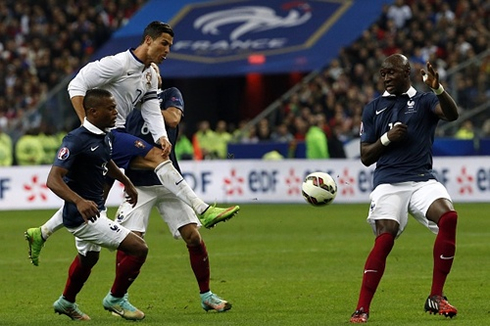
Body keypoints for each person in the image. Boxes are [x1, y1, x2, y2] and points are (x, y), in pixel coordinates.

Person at [25, 21, 239, 266]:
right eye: (164, 43)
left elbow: (150, 109)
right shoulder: (118, 64)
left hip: (109, 138)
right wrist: (88, 125)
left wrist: (161, 136)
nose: (167, 50)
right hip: (108, 134)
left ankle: (41, 233)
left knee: (96, 199)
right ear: (148, 40)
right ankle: (202, 209)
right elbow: (76, 84)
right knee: (158, 158)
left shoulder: (148, 75)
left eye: (170, 45)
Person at [350, 54, 459, 323]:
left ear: (406, 72)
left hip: (422, 179)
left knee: (449, 217)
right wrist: (387, 138)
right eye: (382, 73)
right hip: (388, 182)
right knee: (385, 237)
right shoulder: (373, 108)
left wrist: (438, 88)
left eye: (391, 72)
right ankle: (362, 309)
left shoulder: (424, 100)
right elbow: (365, 157)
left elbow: (452, 115)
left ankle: (436, 296)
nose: (386, 78)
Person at [115, 86, 231, 312]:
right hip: (139, 185)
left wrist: (147, 104)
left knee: (193, 237)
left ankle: (206, 295)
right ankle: (119, 296)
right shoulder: (126, 104)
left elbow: (173, 119)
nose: (152, 71)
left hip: (170, 183)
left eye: (154, 69)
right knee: (130, 242)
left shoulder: (169, 94)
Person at [47, 89, 147, 321]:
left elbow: (105, 158)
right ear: (92, 111)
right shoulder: (75, 140)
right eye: (110, 108)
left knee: (89, 258)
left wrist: (126, 182)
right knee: (138, 248)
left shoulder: (104, 135)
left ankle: (66, 302)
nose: (116, 112)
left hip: (94, 210)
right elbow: (53, 179)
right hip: (82, 215)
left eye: (115, 107)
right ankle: (116, 299)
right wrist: (79, 201)